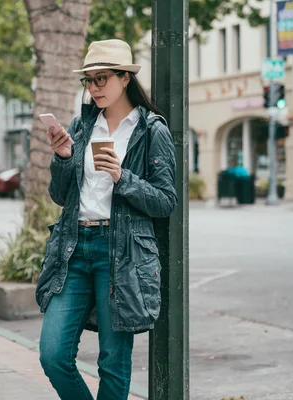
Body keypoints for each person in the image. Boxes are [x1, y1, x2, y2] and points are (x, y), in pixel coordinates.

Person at [36, 39, 178, 400]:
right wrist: (65, 158)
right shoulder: (82, 127)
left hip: (123, 254)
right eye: (89, 80)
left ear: (125, 78)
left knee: (113, 362)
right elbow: (59, 196)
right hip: (74, 248)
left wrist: (122, 177)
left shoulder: (151, 130)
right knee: (53, 354)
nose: (94, 88)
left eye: (102, 79)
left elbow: (165, 201)